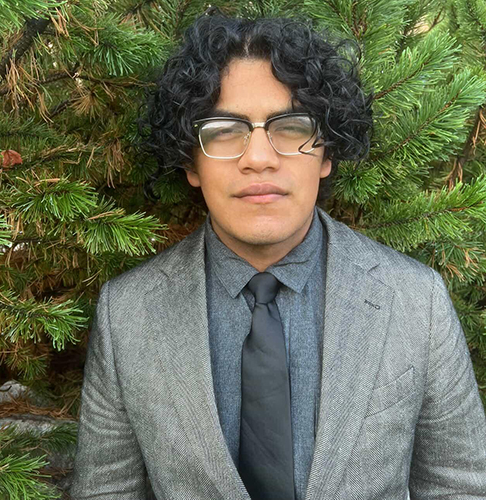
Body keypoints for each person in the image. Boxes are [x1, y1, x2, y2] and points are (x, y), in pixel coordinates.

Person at [70, 14, 486, 500]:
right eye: (224, 129)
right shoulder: (127, 314)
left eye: (290, 127)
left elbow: (460, 486)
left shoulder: (417, 301)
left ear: (326, 153)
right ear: (191, 162)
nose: (259, 157)